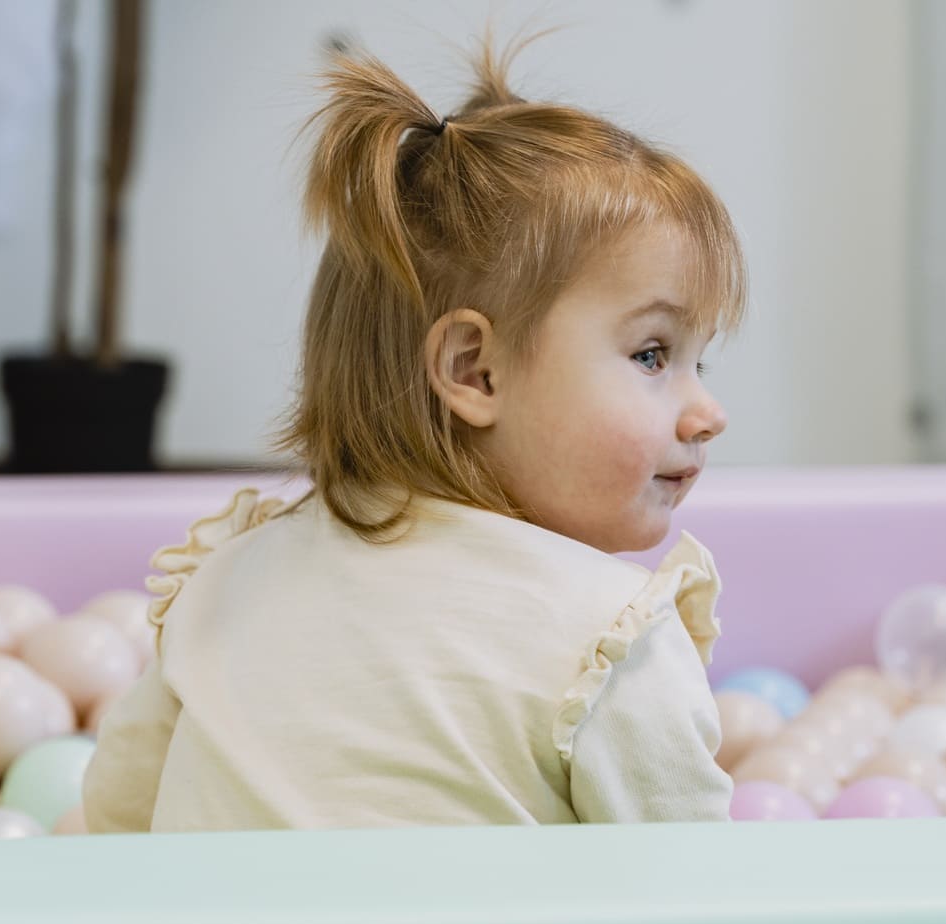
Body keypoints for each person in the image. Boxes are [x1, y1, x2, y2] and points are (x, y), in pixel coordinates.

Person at [83, 23, 747, 832]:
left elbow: (116, 815)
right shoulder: (610, 642)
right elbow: (700, 908)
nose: (707, 414)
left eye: (697, 363)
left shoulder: (232, 580)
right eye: (652, 354)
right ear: (473, 371)